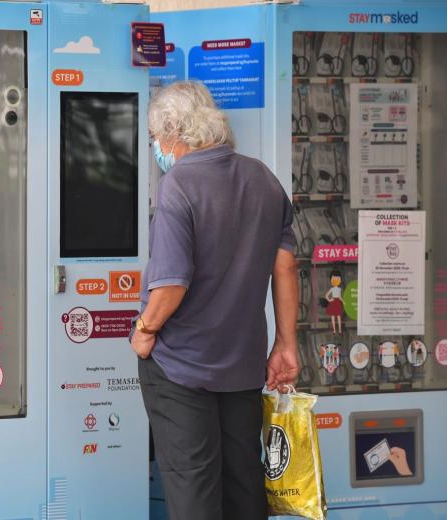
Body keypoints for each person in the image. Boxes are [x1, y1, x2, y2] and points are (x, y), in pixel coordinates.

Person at [133, 81, 298, 520]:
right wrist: (286, 343)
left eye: (155, 138)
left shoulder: (178, 185)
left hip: (181, 367)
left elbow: (171, 285)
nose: (156, 147)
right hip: (243, 365)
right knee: (244, 484)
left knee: (194, 488)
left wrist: (144, 330)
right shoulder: (263, 178)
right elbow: (285, 267)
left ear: (173, 132)